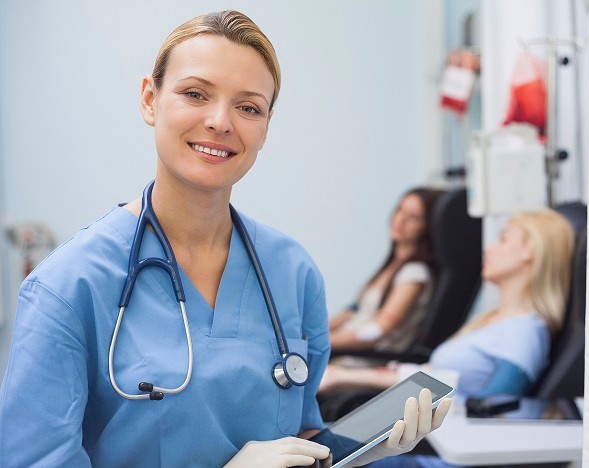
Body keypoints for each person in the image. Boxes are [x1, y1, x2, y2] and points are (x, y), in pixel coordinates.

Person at [0, 11, 450, 467]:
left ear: (266, 126)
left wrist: (364, 449)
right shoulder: (68, 285)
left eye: (249, 107)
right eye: (195, 94)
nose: (220, 121)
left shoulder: (292, 271)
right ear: (150, 100)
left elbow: (299, 433)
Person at [319, 209, 575, 449]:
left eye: (504, 239)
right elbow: (443, 381)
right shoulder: (490, 320)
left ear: (530, 251)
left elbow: (485, 410)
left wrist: (346, 376)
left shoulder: (524, 332)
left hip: (449, 450)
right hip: (436, 435)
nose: (489, 248)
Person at [329, 188, 442, 353]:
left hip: (361, 358)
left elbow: (376, 332)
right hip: (342, 349)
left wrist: (320, 343)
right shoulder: (391, 266)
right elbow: (353, 311)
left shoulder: (414, 274)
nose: (400, 220)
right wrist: (308, 335)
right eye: (400, 210)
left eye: (413, 217)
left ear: (427, 226)